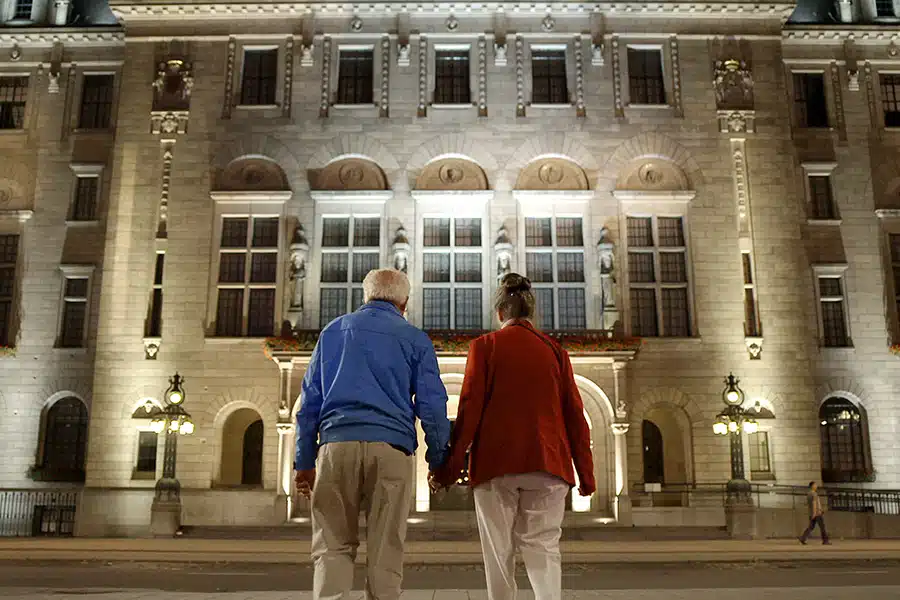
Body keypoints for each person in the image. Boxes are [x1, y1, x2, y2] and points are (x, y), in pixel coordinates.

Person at [435, 273, 596, 600]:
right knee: (544, 547)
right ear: (531, 313)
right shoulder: (555, 351)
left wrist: (449, 469)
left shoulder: (485, 347)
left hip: (497, 463)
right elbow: (575, 417)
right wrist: (586, 475)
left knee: (498, 551)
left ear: (499, 313)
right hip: (549, 463)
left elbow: (469, 409)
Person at [295, 268, 451, 600]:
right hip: (391, 449)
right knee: (386, 551)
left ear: (365, 297)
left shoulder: (333, 332)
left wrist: (304, 461)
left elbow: (309, 402)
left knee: (332, 547)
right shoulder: (414, 339)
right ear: (404, 303)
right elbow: (432, 405)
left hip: (336, 446)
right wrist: (439, 460)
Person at [799, 481, 831, 545]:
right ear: (812, 486)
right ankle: (825, 540)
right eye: (815, 485)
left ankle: (803, 538)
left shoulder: (808, 494)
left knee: (811, 527)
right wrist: (816, 512)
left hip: (812, 513)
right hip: (817, 513)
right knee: (822, 527)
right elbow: (814, 504)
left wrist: (812, 513)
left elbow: (809, 504)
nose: (816, 486)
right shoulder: (814, 494)